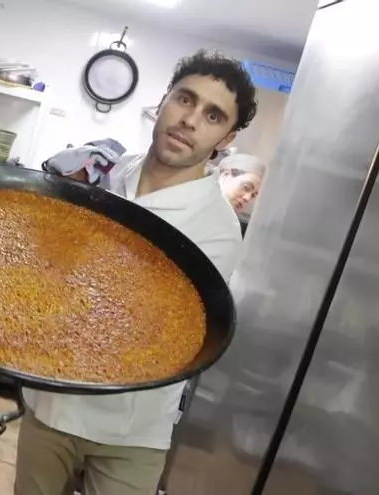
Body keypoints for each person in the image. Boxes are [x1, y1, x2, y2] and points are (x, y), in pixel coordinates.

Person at [16, 49, 256, 495]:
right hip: (52, 405)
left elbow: (152, 330)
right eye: (185, 100)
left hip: (130, 433)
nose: (190, 120)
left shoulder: (216, 230)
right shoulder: (112, 175)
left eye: (212, 115)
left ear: (225, 138)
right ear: (164, 101)